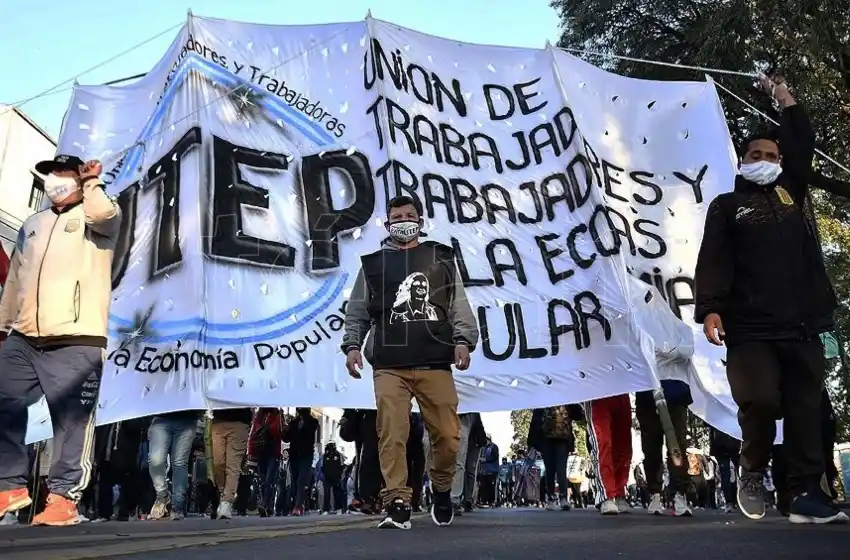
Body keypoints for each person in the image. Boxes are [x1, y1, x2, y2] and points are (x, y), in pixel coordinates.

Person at [695, 74, 848, 524]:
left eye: (772, 156)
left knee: (805, 411)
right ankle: (751, 466)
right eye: (756, 155)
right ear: (742, 162)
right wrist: (711, 309)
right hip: (750, 330)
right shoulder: (726, 206)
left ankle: (804, 494)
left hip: (802, 324)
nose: (764, 160)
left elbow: (802, 141)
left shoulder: (791, 194)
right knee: (761, 402)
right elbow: (713, 261)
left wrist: (785, 99)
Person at [342, 195, 479, 530]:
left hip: (434, 360)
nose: (403, 220)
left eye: (409, 215)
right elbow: (358, 309)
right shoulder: (374, 266)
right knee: (392, 432)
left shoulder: (440, 259)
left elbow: (457, 302)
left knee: (447, 436)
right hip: (389, 363)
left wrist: (464, 339)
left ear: (420, 220)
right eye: (396, 216)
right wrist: (352, 345)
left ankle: (442, 488)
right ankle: (397, 500)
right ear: (388, 225)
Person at [0, 156, 121, 526]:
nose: (56, 181)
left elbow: (106, 217)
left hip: (76, 338)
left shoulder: (93, 214)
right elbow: (16, 279)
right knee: (4, 404)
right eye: (51, 174)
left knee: (70, 422)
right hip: (23, 336)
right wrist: (4, 326)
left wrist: (91, 184)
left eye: (64, 174)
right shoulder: (33, 224)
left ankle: (63, 497)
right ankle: (9, 486)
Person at [636, 382, 692, 517]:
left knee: (677, 445)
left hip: (675, 391)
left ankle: (679, 493)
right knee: (651, 447)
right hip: (647, 392)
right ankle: (655, 493)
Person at [248, 408, 284, 517]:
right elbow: (253, 433)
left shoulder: (277, 414)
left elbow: (278, 432)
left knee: (269, 480)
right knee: (263, 480)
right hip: (261, 451)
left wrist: (267, 427)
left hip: (273, 452)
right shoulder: (259, 415)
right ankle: (267, 506)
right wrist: (250, 451)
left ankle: (265, 504)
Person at [283, 408, 319, 516]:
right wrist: (284, 431)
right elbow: (287, 439)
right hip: (294, 455)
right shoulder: (293, 423)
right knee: (294, 480)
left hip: (306, 455)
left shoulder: (313, 422)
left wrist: (304, 421)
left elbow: (309, 432)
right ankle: (296, 503)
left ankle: (297, 506)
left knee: (301, 480)